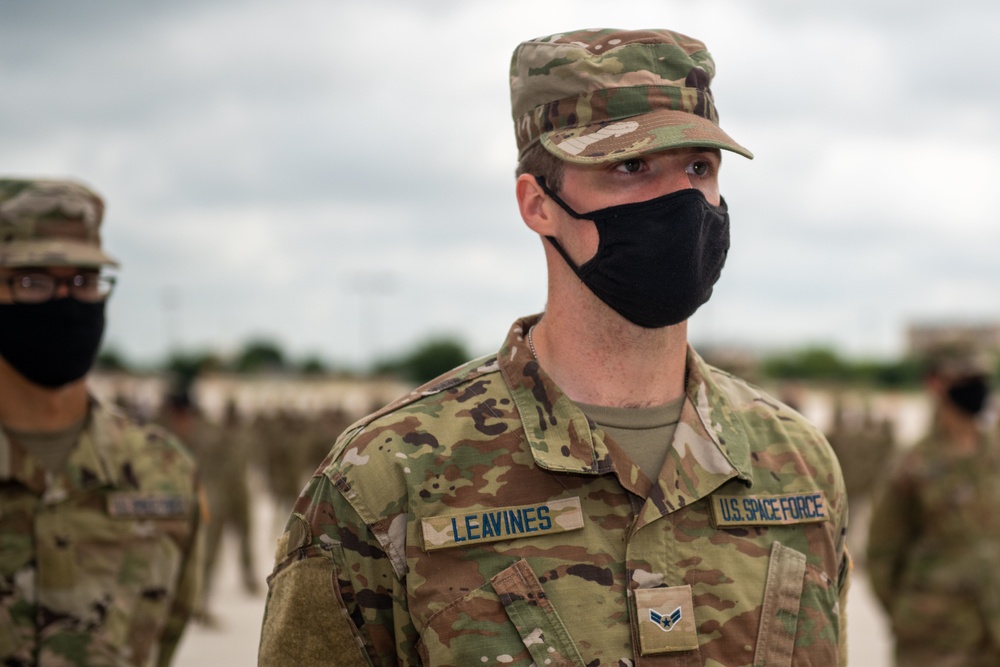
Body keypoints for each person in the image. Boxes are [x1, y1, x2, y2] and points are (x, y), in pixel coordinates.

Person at [259, 28, 850, 666]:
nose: (680, 203)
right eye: (630, 167)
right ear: (538, 203)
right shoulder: (388, 480)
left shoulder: (799, 466)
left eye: (699, 168)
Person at [0, 178, 202, 666]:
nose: (67, 302)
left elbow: (163, 639)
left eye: (85, 281)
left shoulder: (164, 471)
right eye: (33, 282)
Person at [867, 345, 1000, 665]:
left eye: (980, 378)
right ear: (936, 384)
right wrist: (914, 613)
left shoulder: (994, 452)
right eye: (965, 377)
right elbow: (883, 554)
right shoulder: (913, 465)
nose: (977, 387)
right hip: (935, 639)